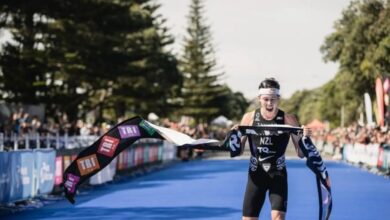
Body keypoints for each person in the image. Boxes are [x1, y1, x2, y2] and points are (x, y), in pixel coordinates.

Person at [233, 78, 311, 220]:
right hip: (256, 175)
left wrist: (305, 138)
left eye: (273, 99)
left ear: (278, 99)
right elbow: (237, 151)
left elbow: (300, 153)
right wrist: (233, 137)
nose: (269, 103)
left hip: (278, 174)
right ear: (259, 99)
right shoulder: (249, 118)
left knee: (278, 218)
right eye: (266, 99)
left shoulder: (288, 119)